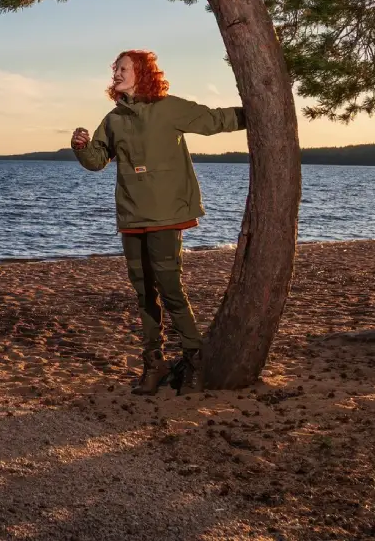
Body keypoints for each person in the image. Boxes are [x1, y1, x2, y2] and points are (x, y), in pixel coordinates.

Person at [71, 49, 246, 395]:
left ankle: (195, 363)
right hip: (131, 216)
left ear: (142, 72)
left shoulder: (168, 107)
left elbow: (214, 120)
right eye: (115, 69)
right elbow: (96, 161)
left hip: (166, 215)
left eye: (123, 68)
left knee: (171, 290)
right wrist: (81, 146)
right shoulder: (113, 119)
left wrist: (255, 111)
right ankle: (154, 365)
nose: (116, 74)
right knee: (143, 294)